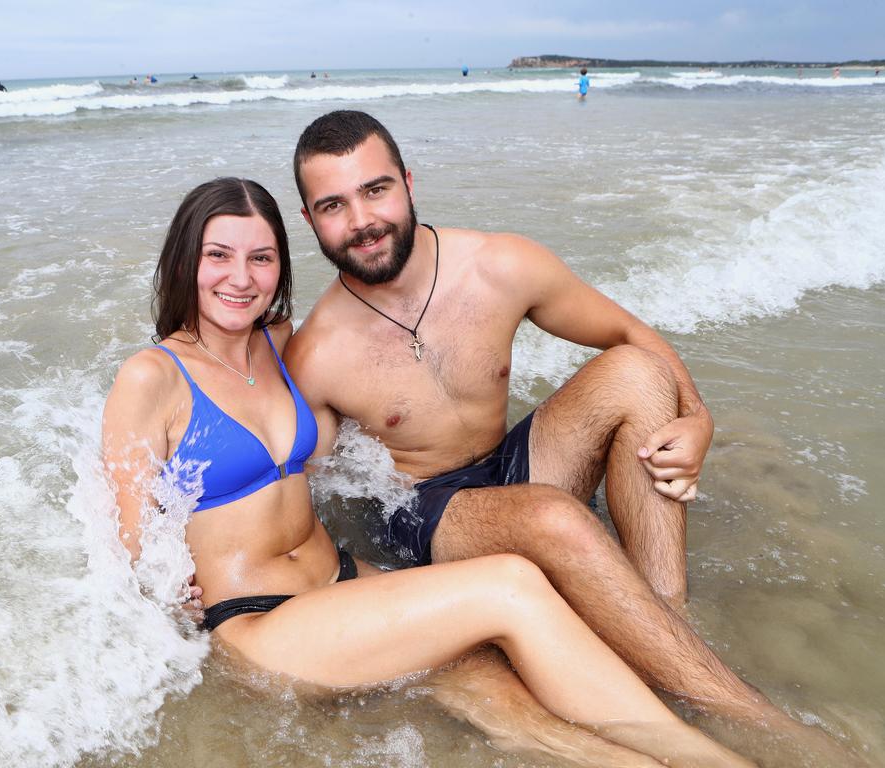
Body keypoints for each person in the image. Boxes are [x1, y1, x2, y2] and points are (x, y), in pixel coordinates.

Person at [103, 177, 752, 767]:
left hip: (343, 581)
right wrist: (166, 598)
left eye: (261, 257)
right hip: (260, 622)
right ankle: (724, 762)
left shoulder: (278, 342)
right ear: (185, 259)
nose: (240, 277)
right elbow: (135, 544)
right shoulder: (152, 378)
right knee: (510, 587)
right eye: (219, 255)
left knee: (506, 693)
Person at [283, 110, 843, 736]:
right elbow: (295, 492)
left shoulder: (500, 265)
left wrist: (699, 421)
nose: (361, 222)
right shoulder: (316, 356)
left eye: (375, 190)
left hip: (511, 468)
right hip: (421, 514)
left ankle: (667, 626)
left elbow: (631, 334)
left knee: (636, 372)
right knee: (554, 516)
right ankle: (759, 720)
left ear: (409, 183)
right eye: (333, 205)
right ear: (310, 221)